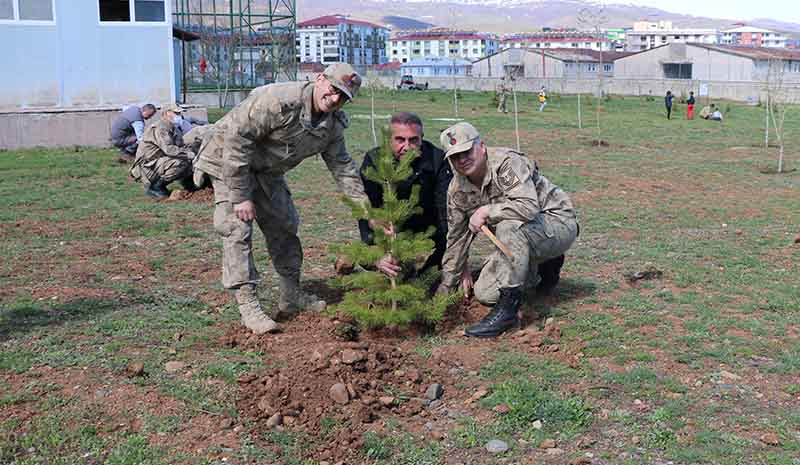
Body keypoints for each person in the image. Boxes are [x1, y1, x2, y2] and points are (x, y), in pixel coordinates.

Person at [192, 63, 368, 335]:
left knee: (284, 224)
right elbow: (237, 141)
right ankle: (248, 303)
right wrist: (240, 196)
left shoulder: (331, 124)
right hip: (227, 160)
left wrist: (366, 211)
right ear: (320, 79)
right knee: (237, 228)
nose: (335, 100)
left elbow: (342, 167)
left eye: (343, 97)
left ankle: (290, 294)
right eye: (333, 90)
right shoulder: (278, 101)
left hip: (267, 170)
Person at [435, 122, 578, 338]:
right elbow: (456, 240)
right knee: (485, 294)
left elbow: (528, 207)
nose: (462, 160)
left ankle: (508, 312)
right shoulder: (457, 190)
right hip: (523, 235)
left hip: (557, 223)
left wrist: (486, 210)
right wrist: (445, 290)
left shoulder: (505, 164)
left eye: (466, 151)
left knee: (508, 225)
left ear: (481, 147)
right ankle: (537, 270)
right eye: (455, 156)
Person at [358, 112, 452, 279]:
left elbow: (445, 208)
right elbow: (366, 207)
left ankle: (428, 273)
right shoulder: (375, 160)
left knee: (447, 244)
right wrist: (374, 246)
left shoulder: (437, 159)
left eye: (414, 140)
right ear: (389, 139)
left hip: (427, 224)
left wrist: (453, 254)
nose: (407, 147)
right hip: (390, 227)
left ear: (422, 138)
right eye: (400, 140)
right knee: (371, 259)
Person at [129, 104, 196, 199]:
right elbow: (169, 149)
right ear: (166, 113)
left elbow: (181, 146)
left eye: (180, 113)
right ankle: (155, 187)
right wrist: (190, 155)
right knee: (181, 162)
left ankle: (190, 185)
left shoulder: (174, 128)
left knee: (189, 160)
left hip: (158, 162)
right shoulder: (160, 128)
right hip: (147, 167)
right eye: (176, 113)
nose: (179, 115)